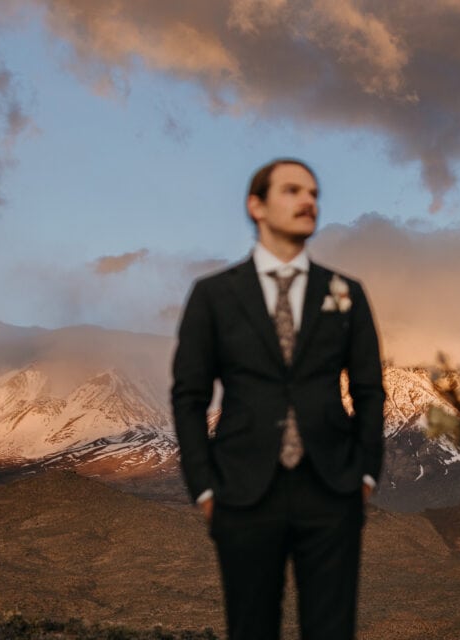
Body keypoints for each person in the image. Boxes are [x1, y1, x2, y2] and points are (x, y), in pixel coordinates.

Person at [171, 159, 385, 640]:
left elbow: (370, 390)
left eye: (313, 192)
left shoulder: (347, 292)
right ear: (257, 206)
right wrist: (204, 487)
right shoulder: (213, 295)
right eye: (292, 191)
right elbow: (189, 396)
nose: (309, 201)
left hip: (332, 488)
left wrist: (366, 474)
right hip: (243, 491)